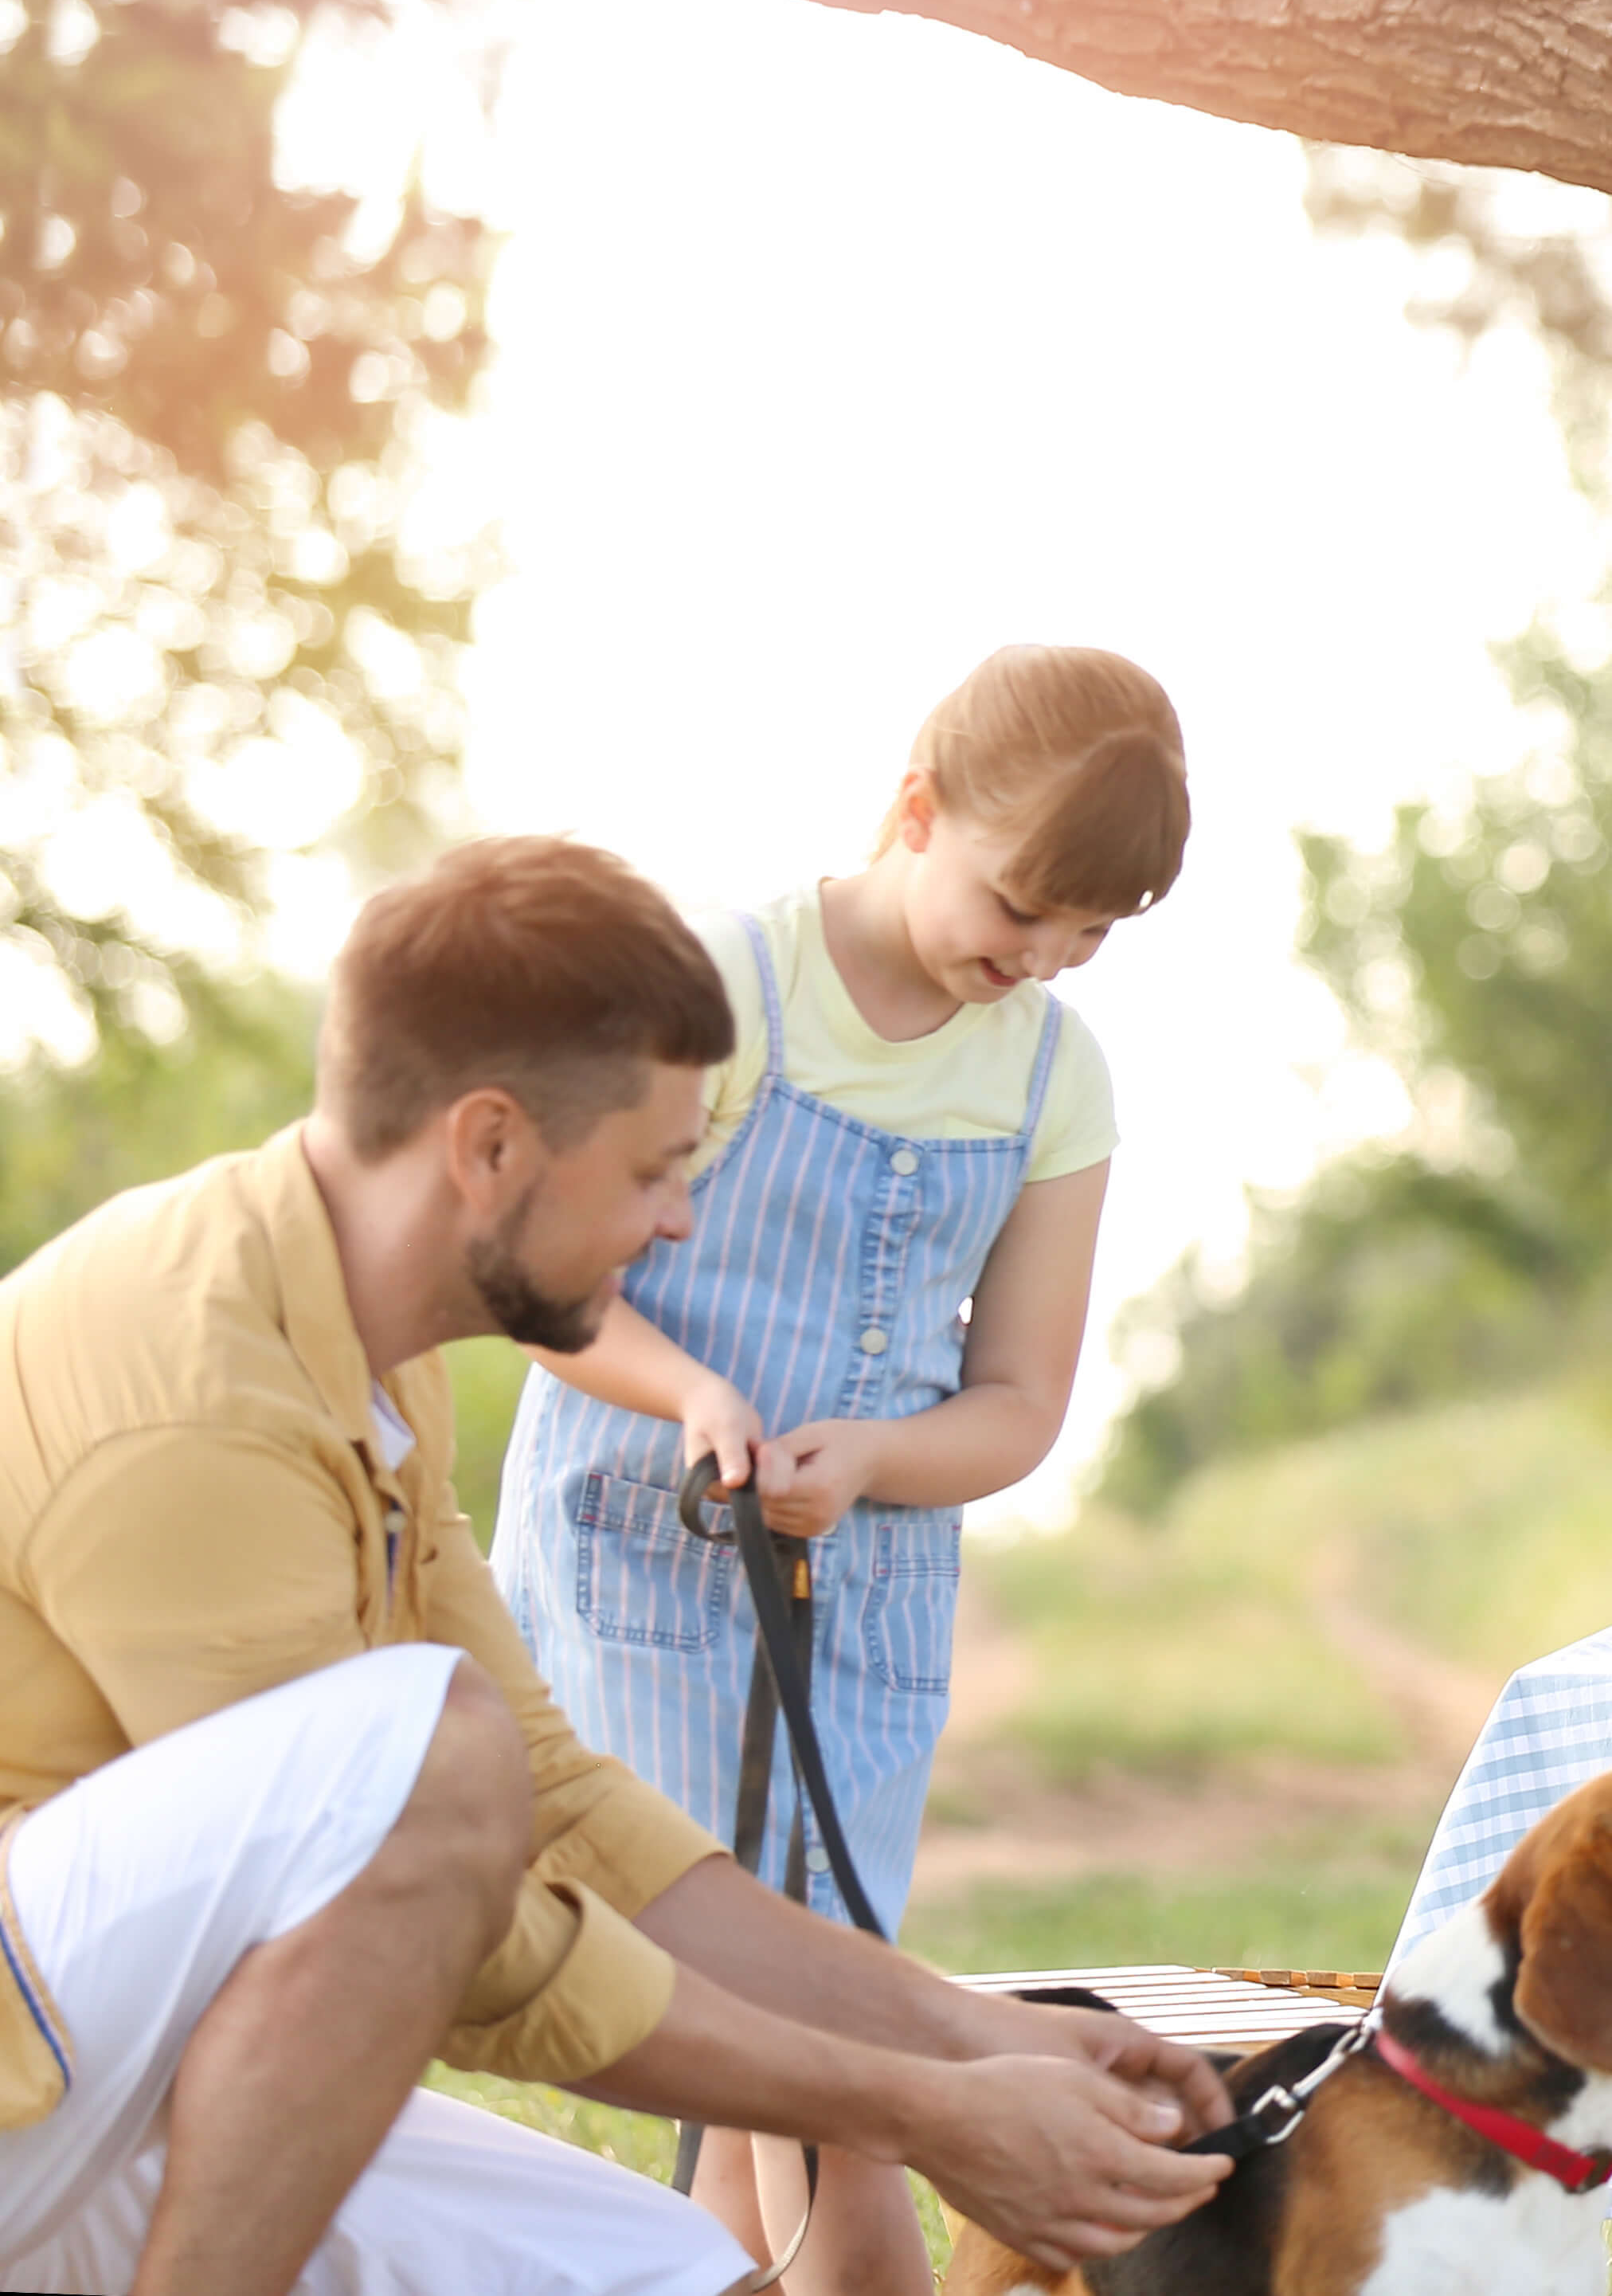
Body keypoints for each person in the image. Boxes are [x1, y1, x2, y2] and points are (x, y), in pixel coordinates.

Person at [0, 837, 1229, 2296]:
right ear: (491, 1145)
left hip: (99, 2061)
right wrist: (917, 2107)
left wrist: (965, 2029)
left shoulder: (362, 1341)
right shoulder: (191, 1385)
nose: (680, 1219)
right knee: (422, 1756)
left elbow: (557, 1805)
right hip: (31, 2064)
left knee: (678, 2274)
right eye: (655, 1168)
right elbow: (441, 1917)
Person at [494, 645, 1187, 2295]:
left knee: (807, 2038)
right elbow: (538, 1287)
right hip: (643, 1558)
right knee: (802, 2050)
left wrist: (879, 1453)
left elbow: (1019, 1399)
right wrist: (693, 1392)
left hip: (861, 1593)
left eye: (1091, 934)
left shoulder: (1051, 1074)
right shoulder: (717, 984)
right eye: (1023, 905)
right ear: (914, 806)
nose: (1042, 958)